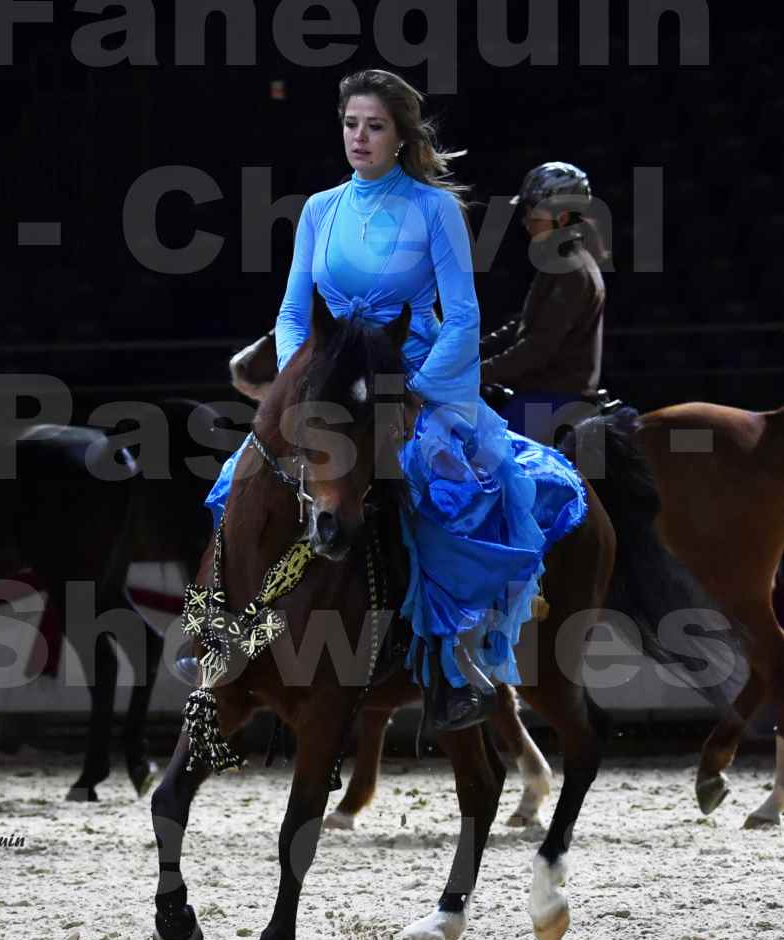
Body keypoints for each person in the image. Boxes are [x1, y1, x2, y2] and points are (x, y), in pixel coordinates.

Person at [206, 70, 587, 730]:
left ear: (400, 135)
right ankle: (225, 636)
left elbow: (462, 317)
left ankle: (447, 671)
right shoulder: (320, 208)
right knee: (239, 481)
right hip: (326, 374)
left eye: (374, 125)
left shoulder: (432, 207)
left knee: (438, 497)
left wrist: (411, 394)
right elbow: (294, 312)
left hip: (409, 370)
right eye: (350, 123)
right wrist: (302, 384)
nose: (359, 137)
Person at [480, 162, 608, 444]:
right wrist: (473, 350)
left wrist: (480, 372)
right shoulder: (558, 263)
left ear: (561, 219)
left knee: (482, 451)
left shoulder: (571, 269)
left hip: (552, 402)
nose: (525, 220)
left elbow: (537, 348)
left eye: (532, 213)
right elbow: (523, 324)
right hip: (542, 396)